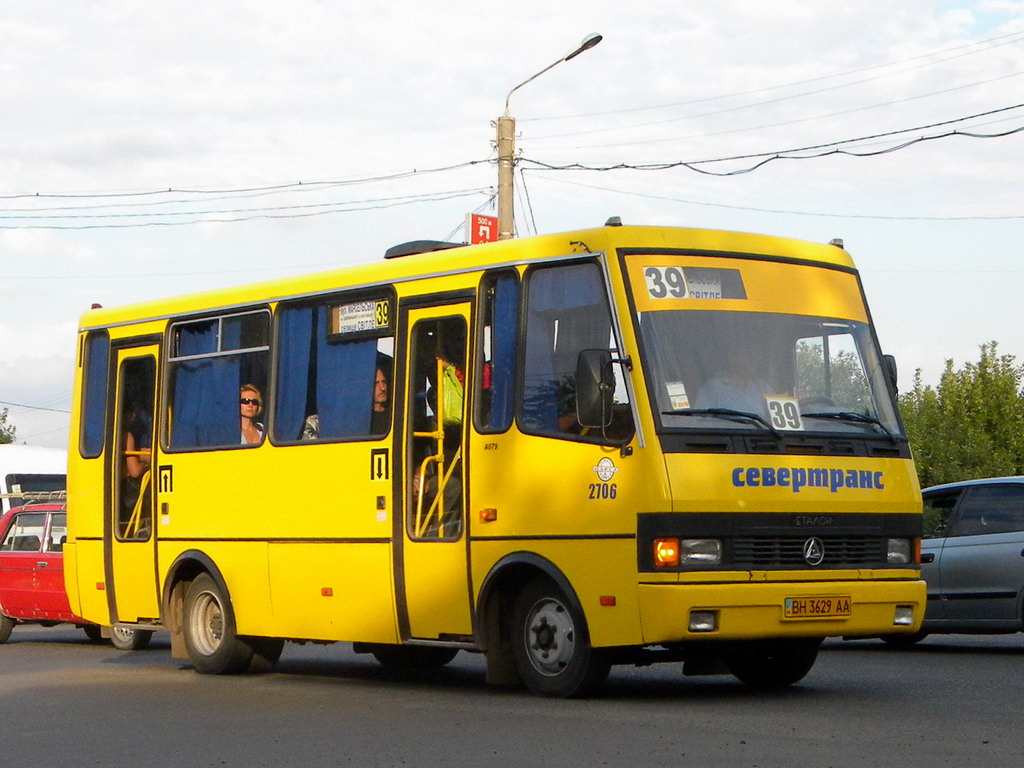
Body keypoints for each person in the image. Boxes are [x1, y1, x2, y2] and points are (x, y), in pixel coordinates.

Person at [694, 344, 774, 416]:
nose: (753, 359)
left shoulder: (763, 388)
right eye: (748, 354)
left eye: (755, 355)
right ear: (732, 356)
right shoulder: (713, 388)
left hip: (760, 432)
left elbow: (777, 416)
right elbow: (701, 419)